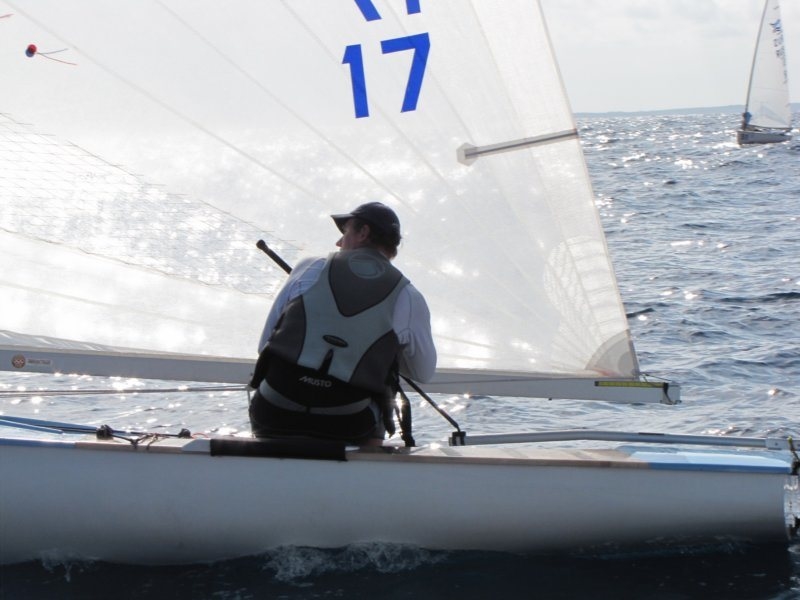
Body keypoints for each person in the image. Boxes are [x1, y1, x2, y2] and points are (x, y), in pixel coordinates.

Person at [249, 202, 436, 445]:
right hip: (349, 424)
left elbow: (265, 344)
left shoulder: (309, 267)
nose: (338, 243)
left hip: (274, 413)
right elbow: (423, 373)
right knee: (377, 402)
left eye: (344, 232)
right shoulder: (409, 297)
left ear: (363, 232)